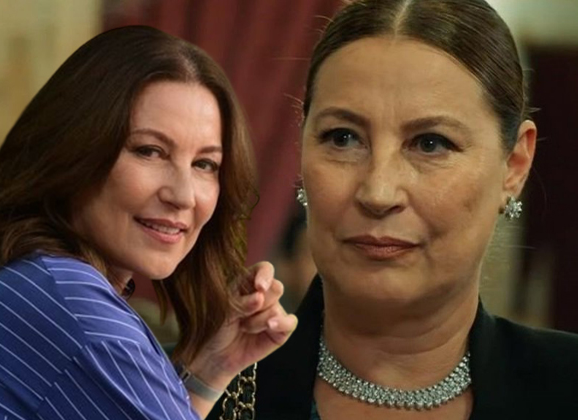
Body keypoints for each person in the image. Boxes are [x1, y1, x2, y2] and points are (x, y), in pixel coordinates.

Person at [207, 1, 578, 419]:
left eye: (430, 144)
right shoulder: (184, 391)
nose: (378, 193)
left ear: (514, 165)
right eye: (343, 138)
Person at [0, 26, 297, 420]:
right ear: (74, 149)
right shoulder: (78, 310)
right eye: (149, 151)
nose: (183, 195)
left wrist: (209, 370)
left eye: (204, 164)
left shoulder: (17, 272)